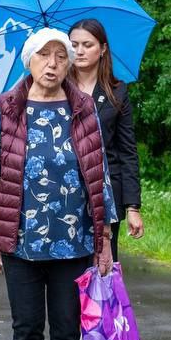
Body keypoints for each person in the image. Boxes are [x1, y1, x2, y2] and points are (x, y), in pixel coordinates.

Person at [0, 28, 117, 340]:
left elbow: (100, 171)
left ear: (70, 63)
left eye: (62, 55)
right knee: (26, 327)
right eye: (45, 55)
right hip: (19, 239)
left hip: (73, 239)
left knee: (66, 326)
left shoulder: (83, 108)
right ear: (29, 61)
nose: (53, 63)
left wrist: (104, 237)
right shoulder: (8, 108)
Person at [68, 19, 143, 260]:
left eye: (87, 45)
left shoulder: (116, 91)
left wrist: (133, 206)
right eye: (74, 45)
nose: (79, 51)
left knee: (103, 265)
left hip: (106, 192)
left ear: (102, 49)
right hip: (66, 191)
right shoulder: (57, 88)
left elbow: (127, 150)